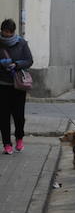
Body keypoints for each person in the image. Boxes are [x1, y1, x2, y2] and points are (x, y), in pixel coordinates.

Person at [0, 19, 33, 154]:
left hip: (18, 86)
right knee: (3, 116)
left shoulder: (22, 43)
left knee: (19, 116)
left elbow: (29, 60)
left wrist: (16, 64)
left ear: (13, 32)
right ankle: (7, 144)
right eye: (4, 32)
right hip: (2, 84)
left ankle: (19, 138)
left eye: (9, 32)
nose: (6, 35)